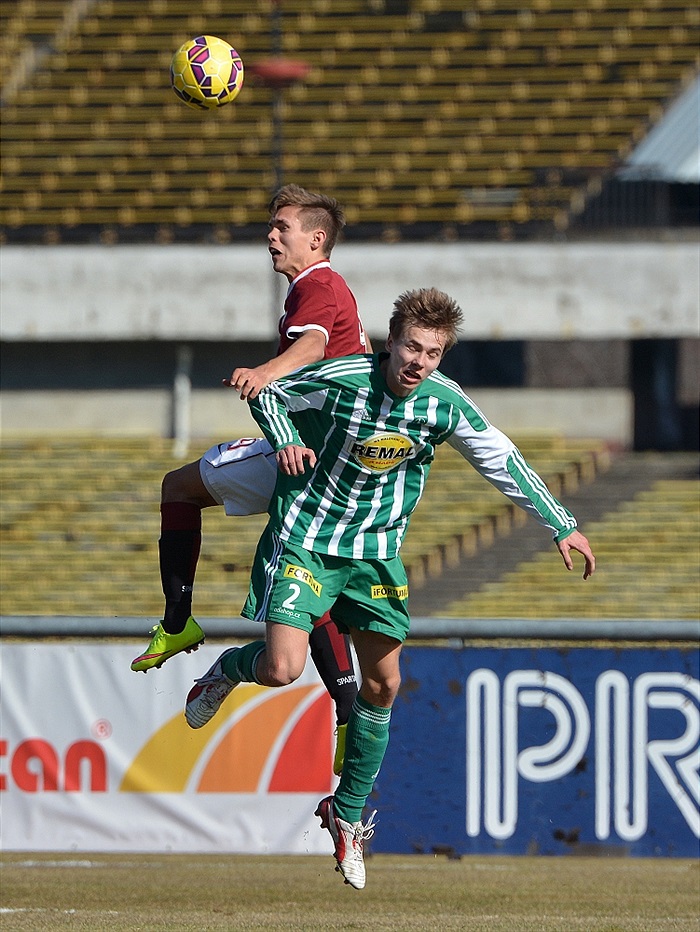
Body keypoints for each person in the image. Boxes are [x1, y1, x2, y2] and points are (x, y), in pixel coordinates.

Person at [183, 287, 596, 889]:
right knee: (282, 669)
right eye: (411, 347)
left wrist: (561, 524)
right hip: (307, 540)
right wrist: (288, 438)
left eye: (432, 353)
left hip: (376, 556)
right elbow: (270, 395)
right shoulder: (345, 378)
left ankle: (346, 814)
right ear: (390, 341)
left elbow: (500, 457)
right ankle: (226, 670)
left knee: (385, 683)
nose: (419, 362)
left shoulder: (442, 402)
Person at [131, 184, 371, 774]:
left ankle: (179, 623)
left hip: (304, 457)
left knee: (176, 487)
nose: (271, 235)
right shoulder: (314, 289)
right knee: (306, 603)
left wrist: (267, 373)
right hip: (325, 461)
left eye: (282, 227)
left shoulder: (317, 284)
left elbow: (313, 347)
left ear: (315, 240)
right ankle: (346, 714)